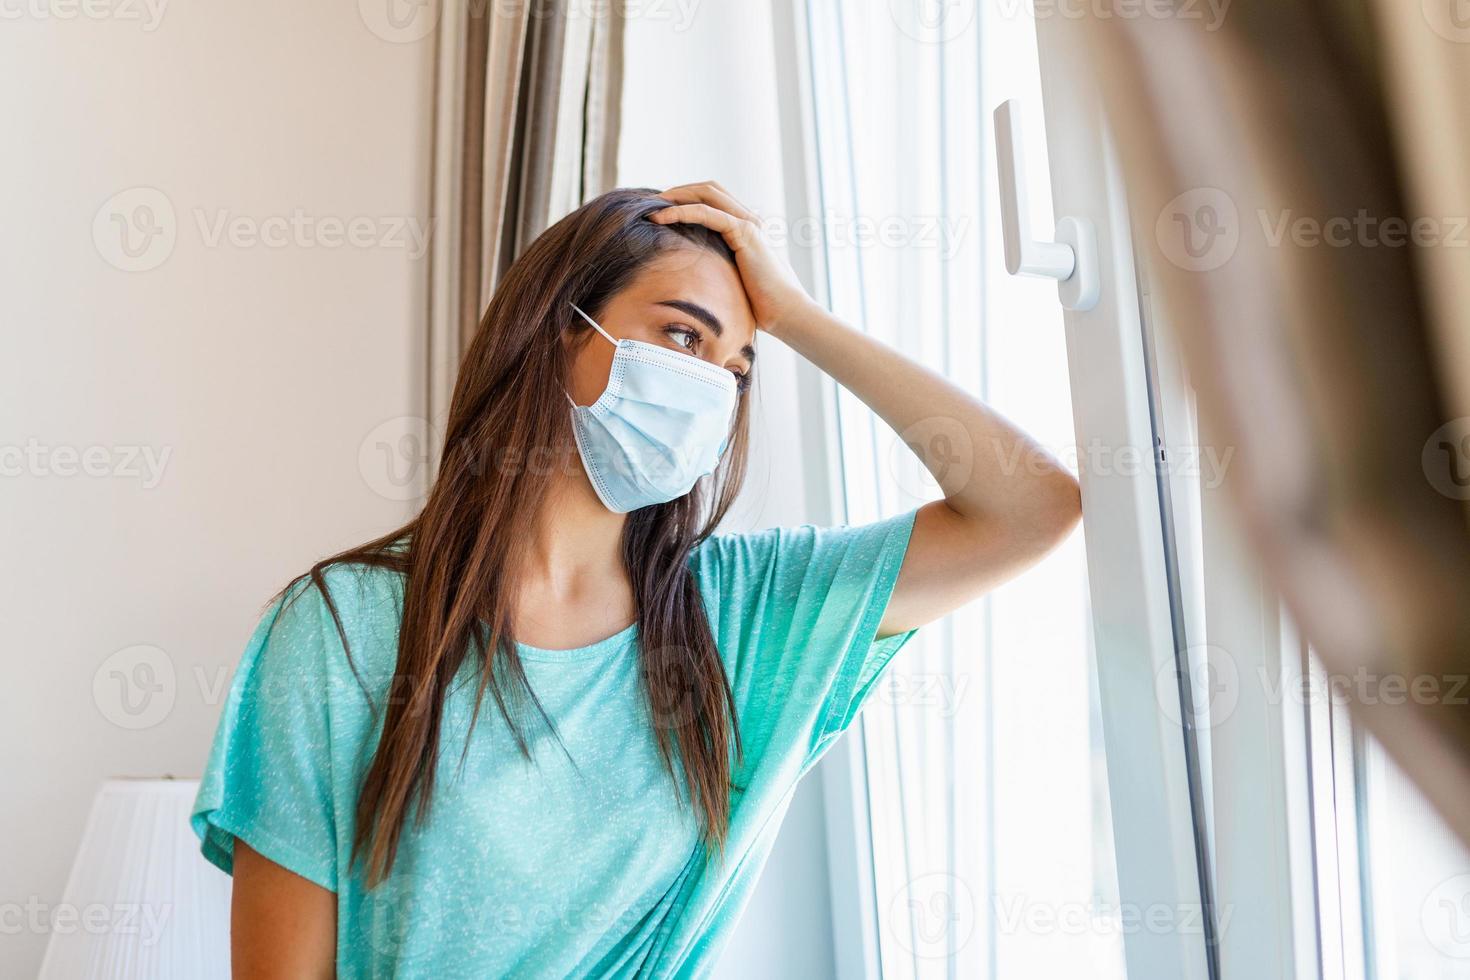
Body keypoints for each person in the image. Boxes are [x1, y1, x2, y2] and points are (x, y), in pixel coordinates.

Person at [191, 182, 1081, 978]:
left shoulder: (747, 613)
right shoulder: (341, 629)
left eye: (735, 368)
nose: (709, 388)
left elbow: (1032, 508)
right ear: (556, 327)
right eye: (683, 335)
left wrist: (801, 317)